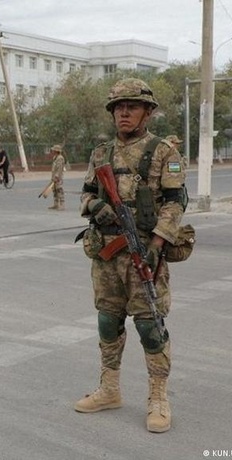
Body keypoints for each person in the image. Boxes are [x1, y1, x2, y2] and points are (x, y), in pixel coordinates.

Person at [75, 78, 187, 433]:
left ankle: (158, 397)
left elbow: (175, 202)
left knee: (149, 325)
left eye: (132, 106)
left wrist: (155, 246)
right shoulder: (100, 153)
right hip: (107, 255)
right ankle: (109, 389)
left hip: (144, 252)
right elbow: (85, 195)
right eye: (118, 107)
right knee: (108, 321)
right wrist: (97, 206)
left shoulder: (164, 152)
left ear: (148, 112)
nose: (123, 112)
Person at [48, 144, 66, 210]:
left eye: (53, 150)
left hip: (58, 178)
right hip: (54, 177)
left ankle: (62, 205)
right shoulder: (55, 157)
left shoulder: (60, 158)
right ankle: (55, 204)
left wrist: (57, 177)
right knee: (54, 191)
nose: (52, 151)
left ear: (56, 151)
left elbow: (59, 168)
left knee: (59, 190)